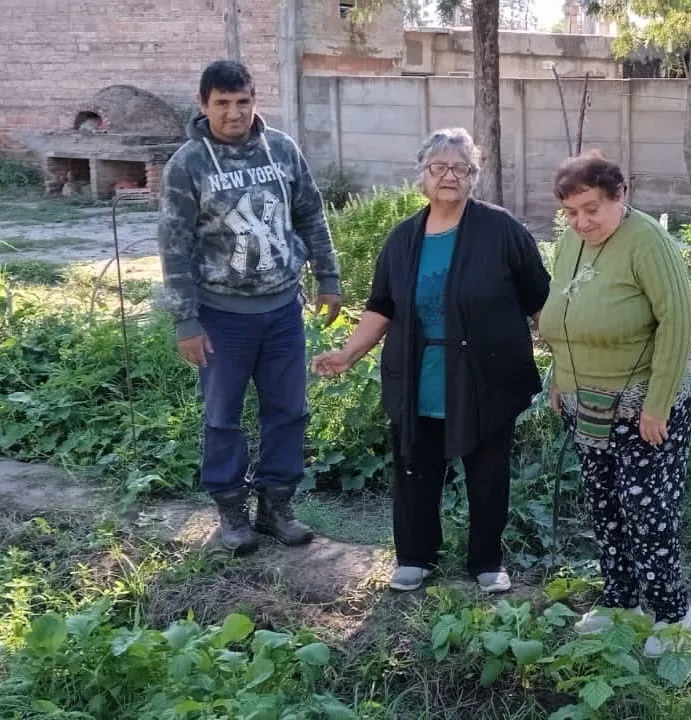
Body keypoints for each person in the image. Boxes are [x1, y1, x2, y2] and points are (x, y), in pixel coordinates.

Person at [311, 128, 550, 594]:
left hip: (486, 374)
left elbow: (540, 300)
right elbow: (382, 307)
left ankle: (487, 561)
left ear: (474, 176)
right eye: (439, 167)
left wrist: (569, 357)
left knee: (488, 472)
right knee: (414, 469)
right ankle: (415, 557)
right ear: (422, 175)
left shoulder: (502, 230)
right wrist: (348, 353)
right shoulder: (404, 238)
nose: (449, 176)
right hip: (418, 375)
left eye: (461, 168)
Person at [157, 60, 341, 556]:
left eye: (242, 101)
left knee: (289, 411)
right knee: (223, 417)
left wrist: (328, 277)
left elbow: (310, 213)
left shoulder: (281, 149)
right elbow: (173, 247)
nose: (234, 113)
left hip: (282, 311)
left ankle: (276, 507)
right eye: (222, 103)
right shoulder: (187, 165)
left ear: (254, 101)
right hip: (221, 317)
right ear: (203, 105)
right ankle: (232, 511)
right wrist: (186, 320)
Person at [538, 150, 691, 658]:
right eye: (571, 212)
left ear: (620, 195)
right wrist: (561, 379)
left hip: (643, 403)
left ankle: (671, 614)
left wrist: (658, 404)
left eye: (592, 209)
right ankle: (621, 599)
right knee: (605, 502)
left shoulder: (647, 242)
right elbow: (563, 315)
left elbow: (678, 321)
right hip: (588, 400)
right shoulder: (571, 242)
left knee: (646, 508)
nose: (581, 222)